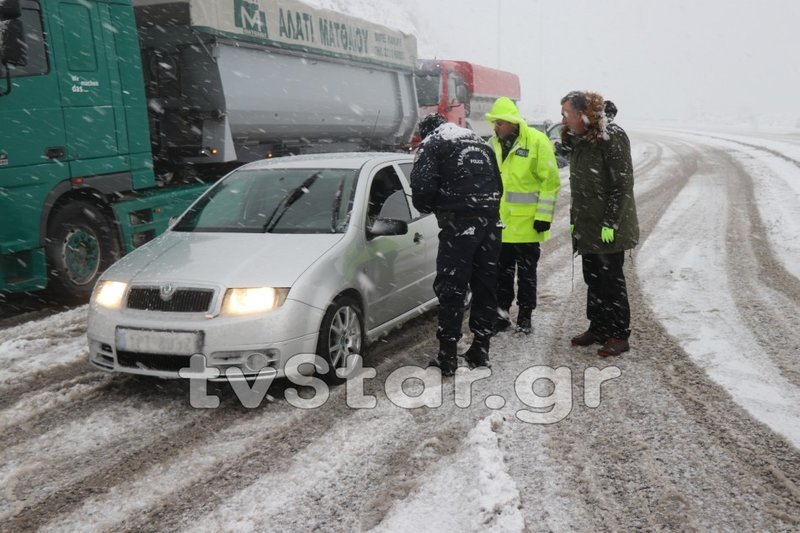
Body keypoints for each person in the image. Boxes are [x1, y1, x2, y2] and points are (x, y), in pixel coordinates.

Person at [410, 113, 503, 375]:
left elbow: (422, 188)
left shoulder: (433, 143)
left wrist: (435, 206)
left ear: (427, 132)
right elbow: (499, 186)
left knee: (452, 288)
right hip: (491, 224)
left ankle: (447, 356)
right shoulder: (479, 142)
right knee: (485, 286)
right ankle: (481, 349)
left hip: (460, 225)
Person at [560, 91, 639, 356]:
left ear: (583, 114)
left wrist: (610, 222)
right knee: (593, 279)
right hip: (587, 224)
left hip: (608, 228)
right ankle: (599, 327)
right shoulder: (580, 140)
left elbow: (622, 184)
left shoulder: (611, 136)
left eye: (567, 114)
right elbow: (580, 187)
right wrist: (575, 220)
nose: (564, 120)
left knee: (610, 281)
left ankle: (619, 334)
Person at [485, 97, 561, 335]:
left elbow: (550, 182)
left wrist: (544, 216)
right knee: (501, 275)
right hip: (501, 226)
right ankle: (502, 315)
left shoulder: (537, 141)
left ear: (512, 122)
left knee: (526, 276)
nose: (496, 127)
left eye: (499, 123)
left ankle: (525, 316)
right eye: (495, 123)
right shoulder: (492, 145)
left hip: (528, 225)